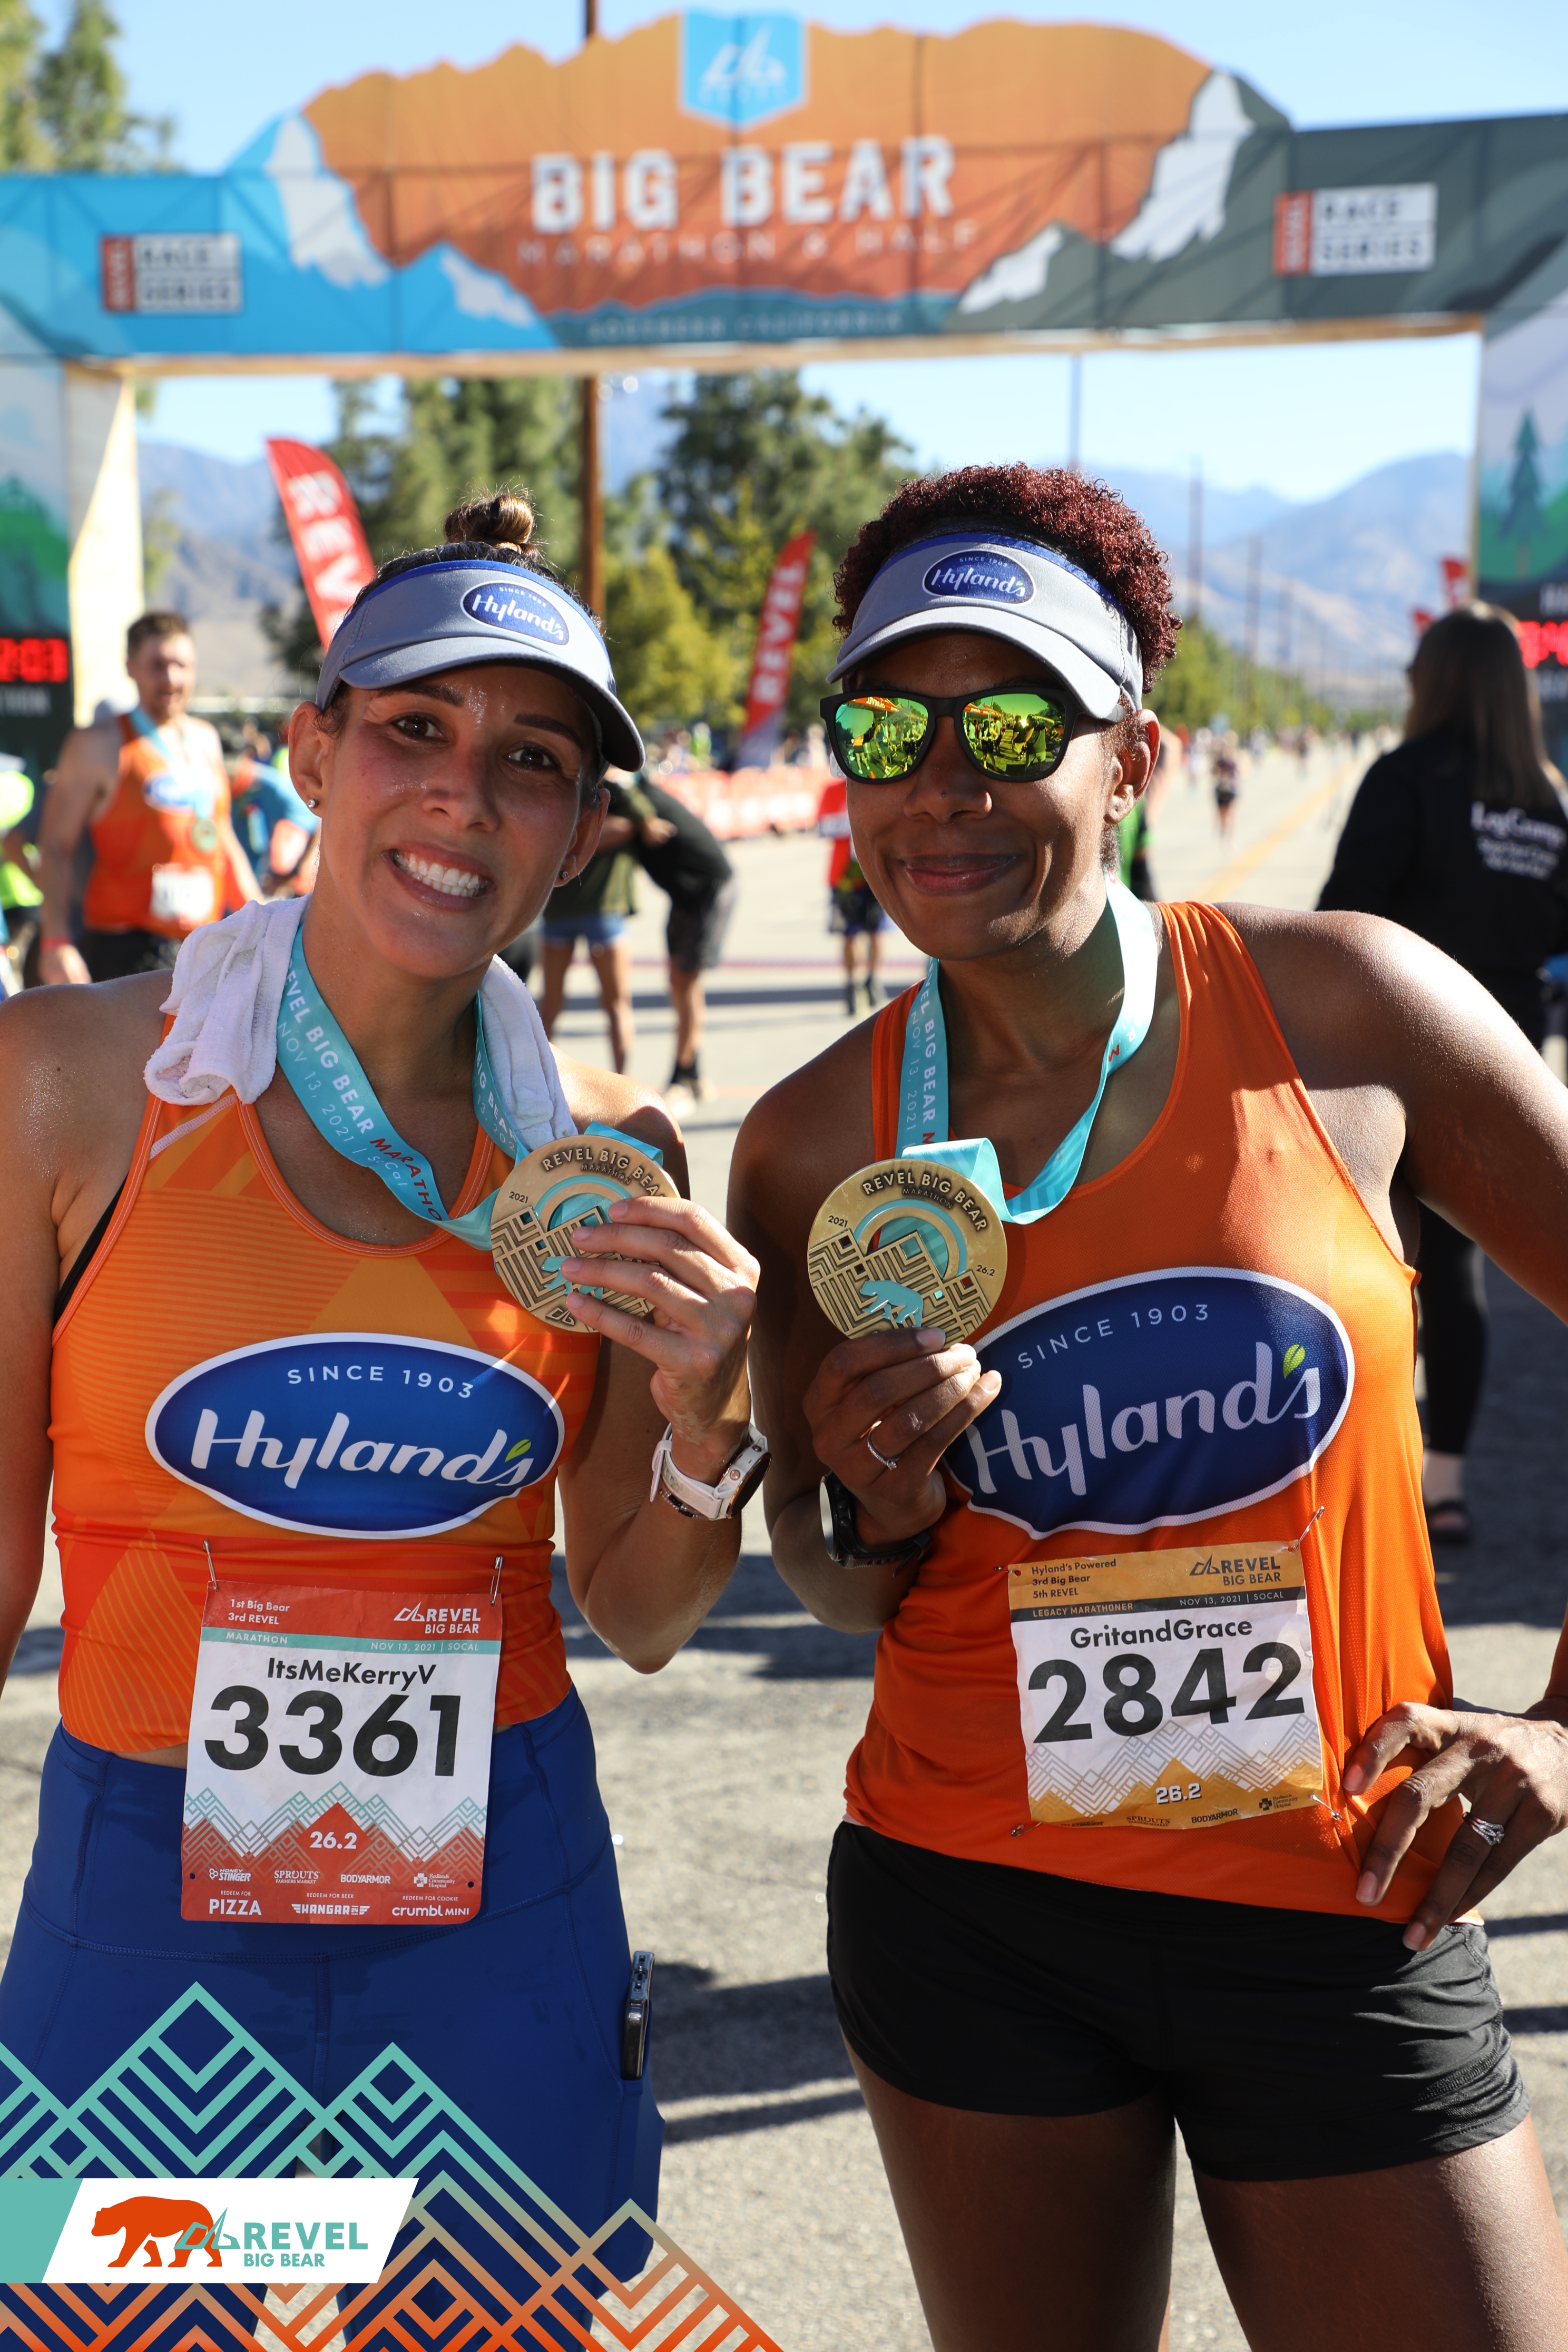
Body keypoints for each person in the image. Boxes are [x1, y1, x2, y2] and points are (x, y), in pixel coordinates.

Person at [731, 464, 1568, 2352]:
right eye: (888, 729)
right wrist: (869, 1500)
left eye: (1009, 724)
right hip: (972, 1908)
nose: (940, 783)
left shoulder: (1346, 1011)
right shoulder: (801, 1144)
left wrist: (1560, 1727)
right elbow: (831, 1578)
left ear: (1132, 757)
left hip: (1347, 1888)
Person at [0, 493, 763, 2329]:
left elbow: (644, 1612)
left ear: (581, 829)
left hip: (497, 1908)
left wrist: (708, 1424)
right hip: (147, 1898)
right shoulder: (66, 1089)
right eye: (414, 728)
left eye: (531, 761)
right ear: (310, 751)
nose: (462, 796)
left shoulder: (605, 1163)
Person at [1318, 605, 1568, 1546]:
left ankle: (1369, 1476)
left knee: (1370, 1260)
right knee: (1458, 1272)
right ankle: (1447, 1486)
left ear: (1431, 680)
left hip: (1391, 1055)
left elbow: (1341, 916)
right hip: (1508, 1062)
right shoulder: (1548, 801)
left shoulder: (1406, 777)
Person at [37, 612, 259, 985]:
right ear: (131, 668)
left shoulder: (205, 740)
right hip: (126, 948)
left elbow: (222, 839)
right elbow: (55, 846)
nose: (171, 678)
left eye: (181, 665)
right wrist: (55, 942)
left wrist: (264, 918)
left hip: (202, 945)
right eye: (157, 665)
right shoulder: (98, 745)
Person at [628, 774, 736, 1107]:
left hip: (708, 889)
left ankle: (681, 1077)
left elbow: (619, 829)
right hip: (685, 894)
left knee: (685, 982)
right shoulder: (631, 793)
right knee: (678, 983)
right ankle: (694, 1075)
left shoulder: (629, 795)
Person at [535, 771, 645, 1073]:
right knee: (614, 1003)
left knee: (554, 1004)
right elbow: (645, 819)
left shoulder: (563, 791)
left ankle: (536, 1079)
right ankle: (620, 1081)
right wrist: (628, 787)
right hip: (595, 910)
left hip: (570, 909)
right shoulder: (623, 804)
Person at [818, 763, 889, 1016]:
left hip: (876, 872)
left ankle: (873, 978)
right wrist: (853, 824)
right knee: (849, 933)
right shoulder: (833, 791)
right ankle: (851, 985)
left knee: (877, 931)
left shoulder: (878, 788)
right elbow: (821, 827)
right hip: (845, 876)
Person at [230, 737, 321, 897]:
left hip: (259, 892)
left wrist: (292, 874)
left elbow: (318, 823)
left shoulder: (274, 787)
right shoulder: (213, 790)